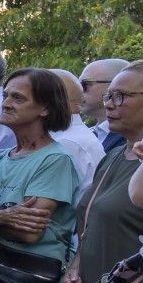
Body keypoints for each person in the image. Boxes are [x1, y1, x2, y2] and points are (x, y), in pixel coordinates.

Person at [0, 69, 79, 283]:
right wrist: (4, 217)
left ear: (45, 108)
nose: (6, 104)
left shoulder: (55, 160)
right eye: (5, 96)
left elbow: (29, 233)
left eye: (17, 98)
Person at [64, 60, 143, 283]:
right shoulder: (112, 156)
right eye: (108, 96)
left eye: (120, 96)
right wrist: (77, 263)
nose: (109, 104)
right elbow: (93, 222)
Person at [47, 68, 106, 200]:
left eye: (20, 98)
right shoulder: (64, 138)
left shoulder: (66, 143)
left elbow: (40, 211)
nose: (6, 104)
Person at [79, 57, 130, 154]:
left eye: (84, 84)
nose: (79, 91)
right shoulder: (89, 133)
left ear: (115, 83)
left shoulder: (133, 137)